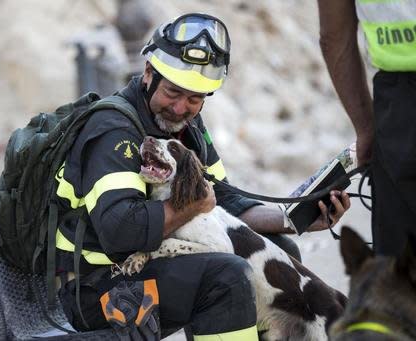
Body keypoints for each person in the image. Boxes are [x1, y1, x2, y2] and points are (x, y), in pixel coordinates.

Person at [55, 13, 350, 340]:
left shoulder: (186, 128)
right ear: (148, 74)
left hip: (141, 273)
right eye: (172, 93)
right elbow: (122, 231)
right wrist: (192, 206)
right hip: (98, 289)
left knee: (280, 250)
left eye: (194, 99)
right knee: (227, 276)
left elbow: (223, 204)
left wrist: (295, 219)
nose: (181, 108)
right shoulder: (114, 131)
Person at [317, 0, 415, 256]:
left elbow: (335, 37)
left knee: (398, 277)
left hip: (400, 111)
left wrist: (367, 128)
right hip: (398, 105)